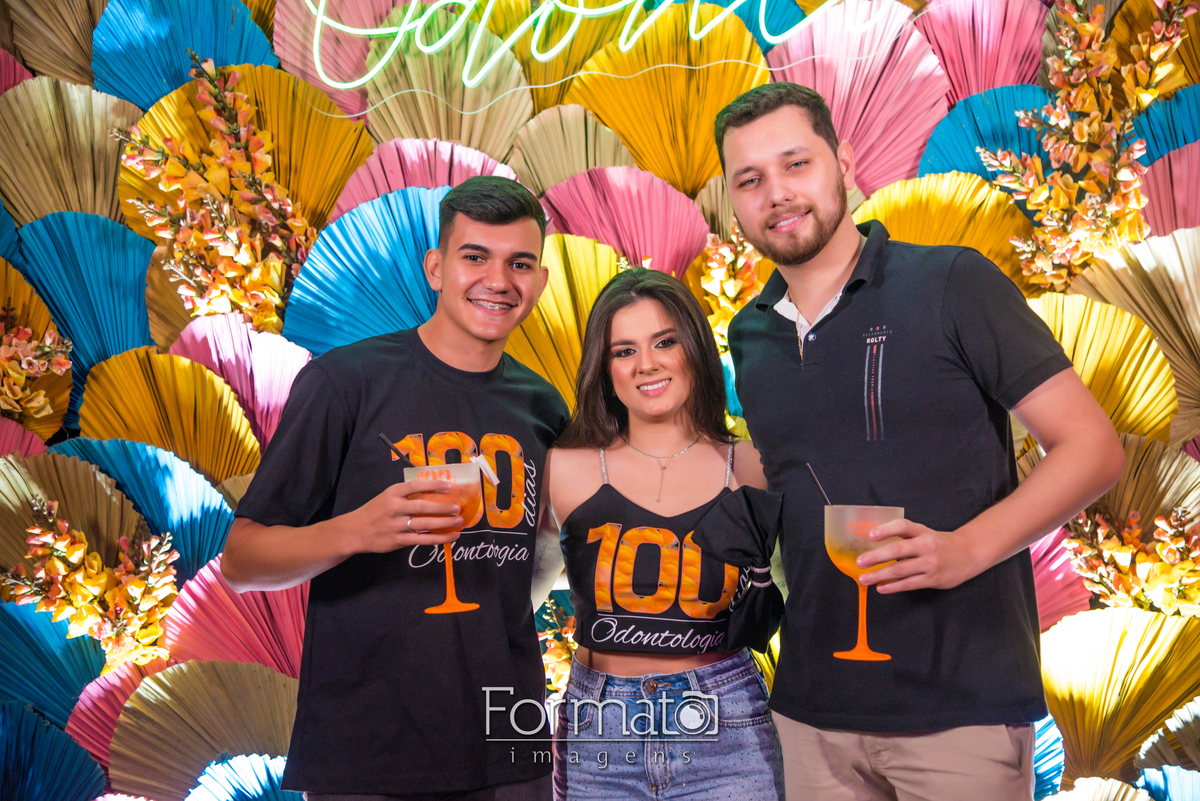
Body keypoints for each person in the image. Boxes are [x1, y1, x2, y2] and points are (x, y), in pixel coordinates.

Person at [714, 82, 1125, 800]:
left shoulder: (953, 283)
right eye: (750, 180)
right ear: (732, 199)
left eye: (796, 164)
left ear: (844, 163)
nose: (776, 193)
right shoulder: (750, 334)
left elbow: (1093, 449)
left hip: (959, 705)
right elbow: (792, 472)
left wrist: (966, 549)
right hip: (811, 713)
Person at [221, 176, 571, 801]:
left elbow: (539, 561)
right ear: (435, 268)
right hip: (366, 753)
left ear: (539, 281)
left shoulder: (543, 407)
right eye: (475, 256)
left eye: (519, 263)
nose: (498, 280)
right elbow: (242, 561)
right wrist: (357, 530)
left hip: (508, 746)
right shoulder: (345, 382)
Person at [541, 268, 784, 800]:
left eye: (665, 342)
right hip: (600, 732)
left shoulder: (754, 465)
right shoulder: (563, 468)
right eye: (624, 350)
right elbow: (515, 597)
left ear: (695, 348)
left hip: (726, 722)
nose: (646, 364)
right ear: (604, 368)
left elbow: (798, 595)